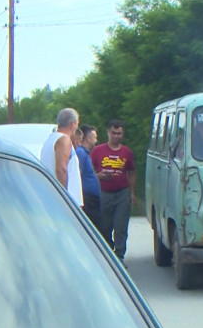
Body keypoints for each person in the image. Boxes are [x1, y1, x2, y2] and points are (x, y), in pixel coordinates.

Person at [91, 119, 136, 264]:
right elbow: (89, 171)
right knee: (104, 226)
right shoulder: (98, 151)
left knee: (121, 226)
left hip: (122, 192)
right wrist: (98, 176)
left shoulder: (126, 152)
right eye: (114, 133)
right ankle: (108, 253)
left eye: (119, 133)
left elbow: (131, 172)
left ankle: (119, 256)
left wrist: (132, 193)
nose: (116, 136)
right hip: (104, 192)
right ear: (108, 133)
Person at [40, 108, 83, 208]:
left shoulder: (49, 140)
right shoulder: (64, 140)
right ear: (72, 124)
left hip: (51, 197)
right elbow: (61, 169)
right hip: (65, 202)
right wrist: (63, 197)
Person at [76, 124, 101, 225]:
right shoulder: (80, 153)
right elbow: (78, 175)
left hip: (92, 199)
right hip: (88, 199)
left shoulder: (85, 153)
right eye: (94, 137)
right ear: (89, 138)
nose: (96, 140)